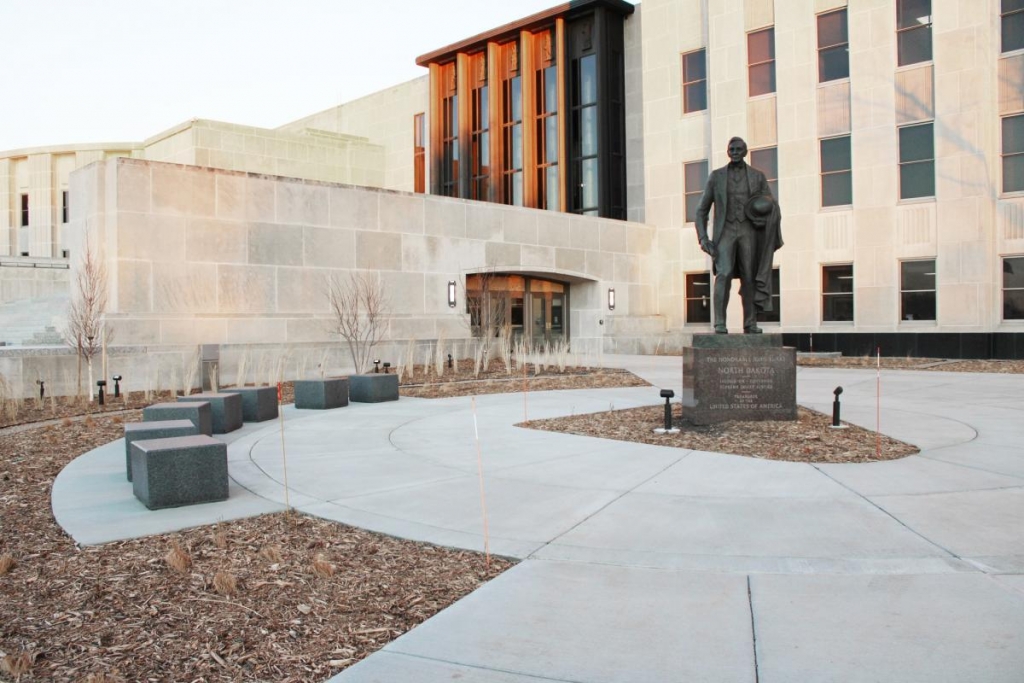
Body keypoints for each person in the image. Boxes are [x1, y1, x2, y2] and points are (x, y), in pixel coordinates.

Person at [695, 137, 783, 334]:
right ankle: (719, 323)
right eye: (731, 149)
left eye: (738, 149)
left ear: (745, 152)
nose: (734, 152)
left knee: (749, 276)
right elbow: (701, 210)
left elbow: (770, 205)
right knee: (723, 274)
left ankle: (750, 323)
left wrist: (763, 218)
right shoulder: (716, 176)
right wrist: (703, 239)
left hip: (748, 231)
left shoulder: (757, 176)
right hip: (724, 232)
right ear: (727, 151)